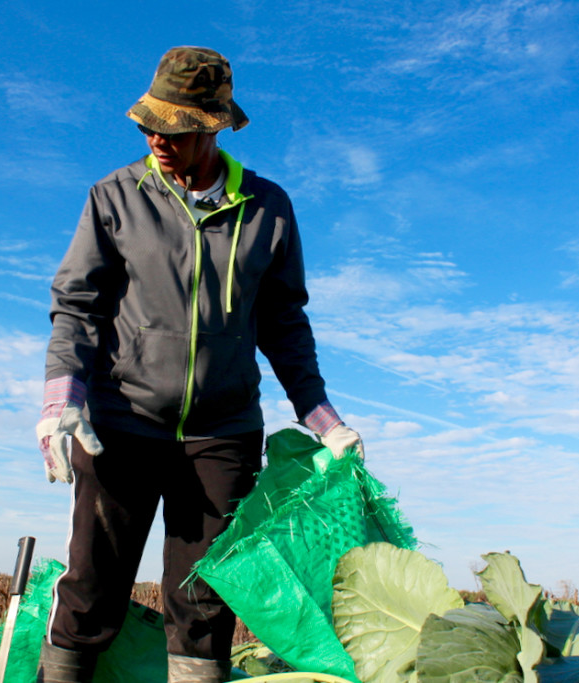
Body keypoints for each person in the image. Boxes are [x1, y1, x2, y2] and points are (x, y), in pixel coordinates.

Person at [35, 47, 363, 683]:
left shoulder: (268, 208)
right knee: (92, 585)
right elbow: (77, 306)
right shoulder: (115, 196)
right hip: (120, 421)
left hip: (223, 432)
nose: (157, 138)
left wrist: (322, 417)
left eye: (176, 127)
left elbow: (285, 323)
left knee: (203, 602)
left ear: (215, 126)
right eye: (148, 124)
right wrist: (61, 400)